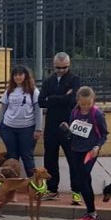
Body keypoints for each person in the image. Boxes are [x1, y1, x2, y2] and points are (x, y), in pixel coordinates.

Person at [39, 52, 80, 204]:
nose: (61, 70)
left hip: (69, 125)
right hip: (51, 125)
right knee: (50, 158)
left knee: (73, 159)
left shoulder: (74, 79)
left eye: (65, 67)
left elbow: (73, 98)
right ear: (53, 65)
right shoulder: (48, 81)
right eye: (58, 67)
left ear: (69, 65)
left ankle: (76, 192)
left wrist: (52, 98)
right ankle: (52, 190)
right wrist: (63, 97)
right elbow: (41, 102)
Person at [64, 86, 108, 220]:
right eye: (83, 104)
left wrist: (97, 147)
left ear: (93, 100)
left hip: (90, 151)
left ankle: (93, 214)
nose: (86, 106)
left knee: (83, 179)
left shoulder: (97, 114)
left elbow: (104, 134)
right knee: (82, 180)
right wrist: (67, 130)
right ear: (78, 101)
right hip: (76, 150)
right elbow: (73, 130)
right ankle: (90, 212)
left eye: (89, 103)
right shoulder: (74, 112)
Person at [0, 65, 43, 177]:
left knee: (27, 156)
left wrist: (38, 129)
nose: (18, 77)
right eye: (15, 75)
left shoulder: (33, 91)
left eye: (20, 74)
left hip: (27, 129)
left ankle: (33, 184)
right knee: (12, 157)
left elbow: (38, 110)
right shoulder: (9, 91)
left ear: (25, 76)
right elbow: (3, 110)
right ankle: (13, 184)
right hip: (8, 128)